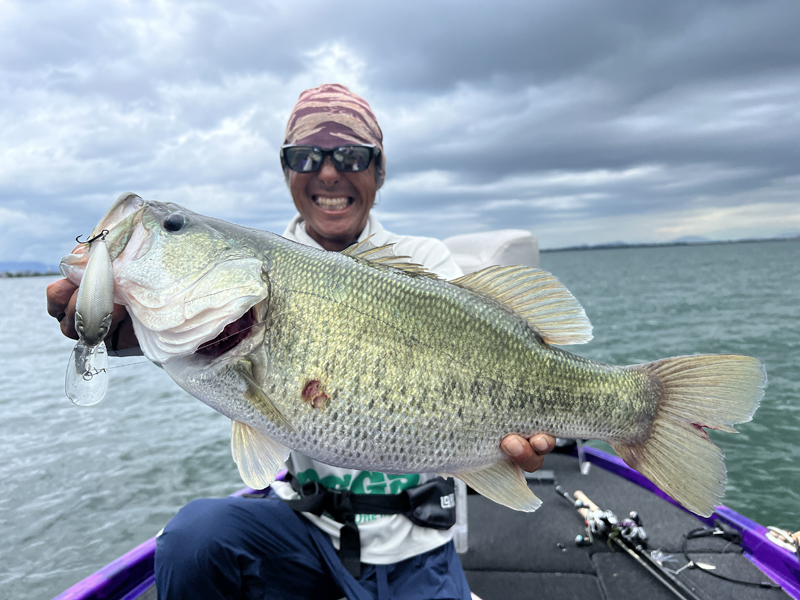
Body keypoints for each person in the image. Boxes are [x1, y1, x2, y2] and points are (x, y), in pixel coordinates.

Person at [46, 84, 556, 600]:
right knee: (194, 540)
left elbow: (488, 355)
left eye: (352, 156)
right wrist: (112, 322)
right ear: (286, 170)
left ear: (380, 170)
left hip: (417, 548)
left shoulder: (425, 261)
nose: (329, 173)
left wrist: (507, 447)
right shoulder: (259, 267)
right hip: (303, 534)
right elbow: (180, 333)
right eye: (306, 157)